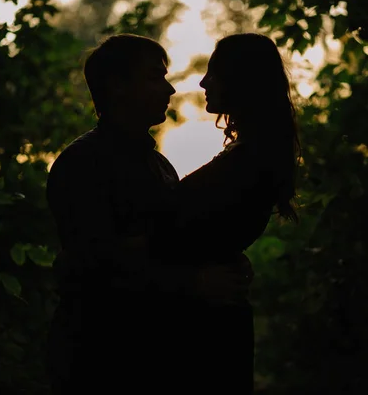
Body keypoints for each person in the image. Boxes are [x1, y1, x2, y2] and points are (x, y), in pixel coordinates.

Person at [45, 34, 253, 395]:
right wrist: (194, 284)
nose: (169, 89)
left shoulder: (157, 164)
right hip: (104, 363)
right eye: (155, 77)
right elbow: (87, 266)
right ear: (117, 87)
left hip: (153, 360)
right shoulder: (82, 164)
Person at [151, 32, 300, 394]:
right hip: (209, 319)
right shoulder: (253, 154)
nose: (203, 81)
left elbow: (184, 234)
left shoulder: (250, 161)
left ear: (242, 81)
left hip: (205, 326)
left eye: (215, 73)